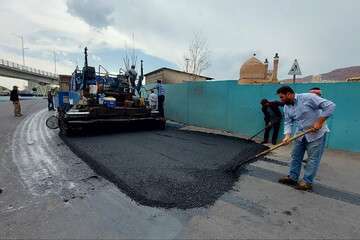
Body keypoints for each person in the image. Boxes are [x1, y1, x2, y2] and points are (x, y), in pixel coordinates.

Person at [276, 86, 336, 191]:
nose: (281, 100)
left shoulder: (308, 97)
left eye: (282, 97)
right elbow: (288, 122)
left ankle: (307, 182)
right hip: (300, 133)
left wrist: (319, 122)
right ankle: (293, 177)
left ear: (289, 94)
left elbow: (330, 106)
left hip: (316, 134)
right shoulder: (287, 106)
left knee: (312, 159)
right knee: (295, 156)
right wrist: (287, 136)